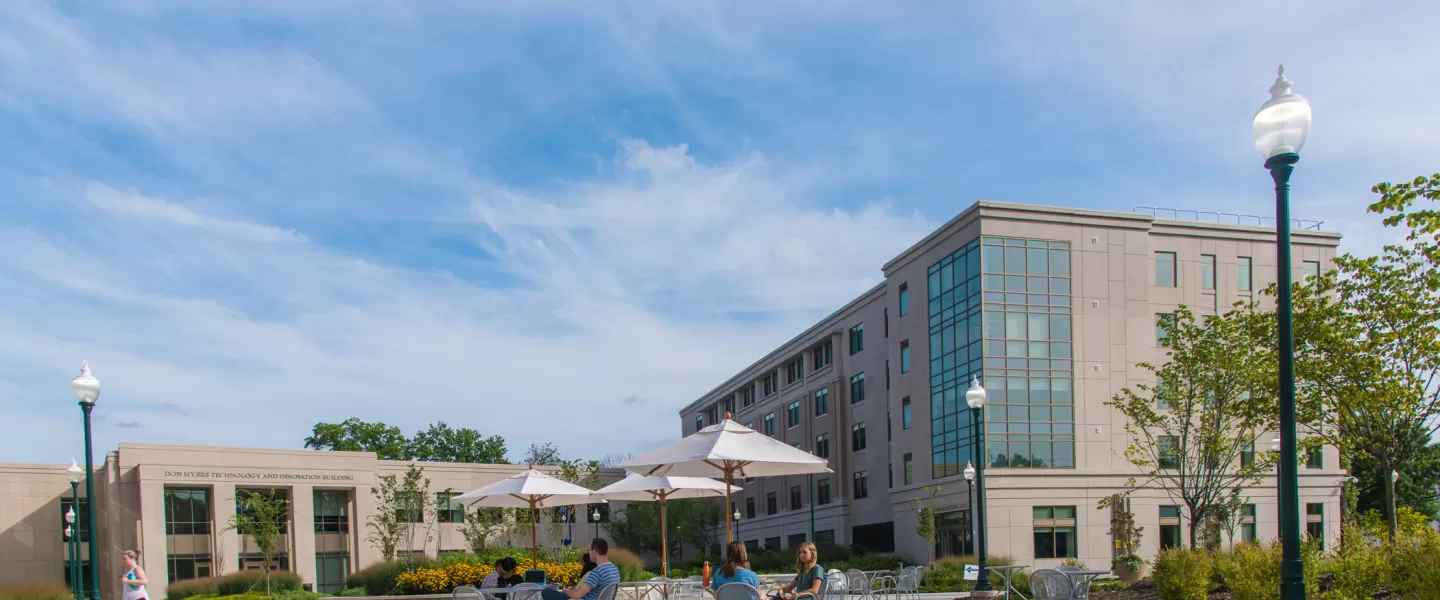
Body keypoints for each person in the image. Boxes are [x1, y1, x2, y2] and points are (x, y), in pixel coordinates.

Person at [541, 539, 619, 600]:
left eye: (589, 550)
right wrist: (573, 591)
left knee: (546, 591)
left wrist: (566, 591)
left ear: (594, 552)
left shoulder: (597, 572)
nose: (589, 553)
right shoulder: (614, 569)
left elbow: (577, 595)